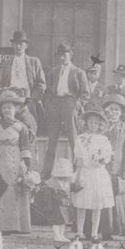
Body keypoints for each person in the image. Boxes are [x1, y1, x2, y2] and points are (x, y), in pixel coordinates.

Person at [0, 89, 33, 233]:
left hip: (12, 160)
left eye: (10, 107)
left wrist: (25, 164)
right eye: (4, 108)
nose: (7, 110)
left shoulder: (21, 127)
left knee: (10, 191)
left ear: (16, 109)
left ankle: (10, 226)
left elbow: (25, 146)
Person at [42, 42, 90, 178]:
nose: (62, 58)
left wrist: (76, 106)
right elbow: (47, 91)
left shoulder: (79, 72)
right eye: (60, 55)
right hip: (55, 104)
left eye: (65, 55)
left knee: (73, 139)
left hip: (70, 103)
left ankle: (78, 171)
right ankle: (46, 172)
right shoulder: (53, 71)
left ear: (71, 55)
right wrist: (49, 104)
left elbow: (85, 93)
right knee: (52, 140)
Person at [71, 107, 114, 241]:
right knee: (81, 204)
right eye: (90, 122)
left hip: (97, 173)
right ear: (86, 123)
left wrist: (102, 160)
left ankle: (95, 233)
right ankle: (80, 232)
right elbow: (78, 156)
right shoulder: (80, 138)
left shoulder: (103, 139)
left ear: (100, 124)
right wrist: (77, 173)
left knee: (97, 204)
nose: (93, 125)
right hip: (84, 171)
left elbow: (108, 154)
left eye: (96, 123)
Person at [102, 93, 125, 239]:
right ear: (106, 110)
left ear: (121, 112)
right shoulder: (101, 126)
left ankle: (121, 229)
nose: (114, 112)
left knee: (118, 199)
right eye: (111, 109)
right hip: (102, 169)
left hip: (117, 169)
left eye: (117, 110)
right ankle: (103, 229)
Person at [0, 30, 47, 122]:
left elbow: (41, 83)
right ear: (13, 45)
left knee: (29, 126)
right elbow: (2, 83)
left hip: (28, 100)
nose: (18, 46)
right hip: (11, 100)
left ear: (26, 45)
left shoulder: (34, 62)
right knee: (11, 126)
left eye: (21, 44)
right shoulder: (7, 63)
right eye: (16, 44)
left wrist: (34, 99)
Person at [34, 157, 74, 242]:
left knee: (64, 221)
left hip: (64, 205)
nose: (63, 177)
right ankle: (57, 235)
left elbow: (69, 191)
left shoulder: (67, 181)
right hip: (56, 205)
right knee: (56, 221)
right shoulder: (52, 182)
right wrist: (49, 206)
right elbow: (47, 195)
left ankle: (61, 235)